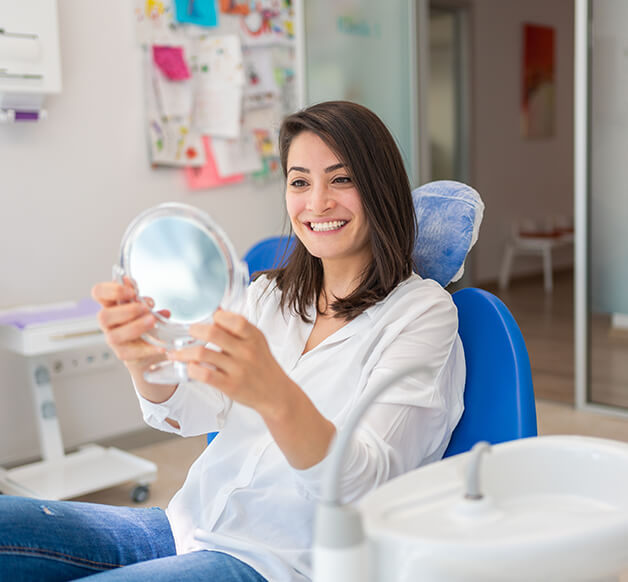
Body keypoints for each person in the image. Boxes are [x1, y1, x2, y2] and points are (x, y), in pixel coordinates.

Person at [0, 101, 465, 581]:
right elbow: (195, 410)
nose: (318, 202)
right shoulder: (269, 296)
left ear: (380, 186)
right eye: (300, 181)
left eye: (341, 179)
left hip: (280, 564)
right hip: (181, 531)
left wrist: (275, 395)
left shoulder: (421, 314)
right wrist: (145, 361)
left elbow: (364, 485)